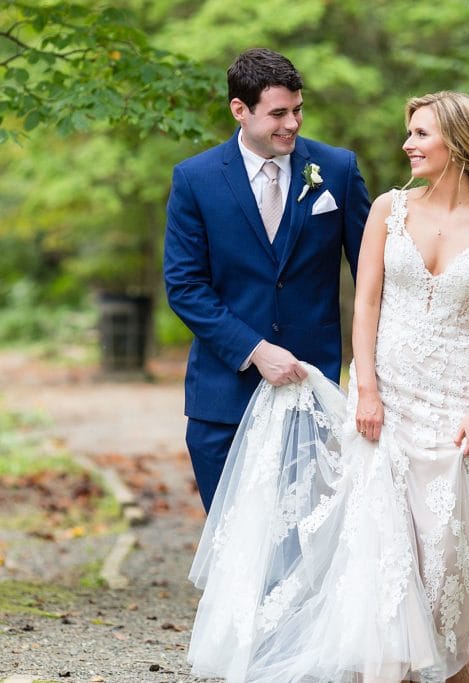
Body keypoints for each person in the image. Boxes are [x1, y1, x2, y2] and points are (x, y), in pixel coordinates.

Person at [188, 91, 469, 683]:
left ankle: (450, 663)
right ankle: (389, 669)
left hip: (451, 397)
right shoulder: (390, 210)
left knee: (442, 547)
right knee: (380, 542)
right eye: (410, 133)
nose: (408, 144)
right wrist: (364, 388)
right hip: (384, 394)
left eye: (421, 134)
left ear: (460, 143)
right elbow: (364, 300)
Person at [163, 48, 371, 513]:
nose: (293, 124)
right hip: (223, 397)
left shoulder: (337, 170)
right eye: (278, 113)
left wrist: (373, 375)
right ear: (240, 110)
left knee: (305, 549)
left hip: (312, 387)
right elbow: (185, 286)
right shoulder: (195, 180)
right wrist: (256, 351)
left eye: (297, 110)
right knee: (231, 545)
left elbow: (373, 278)